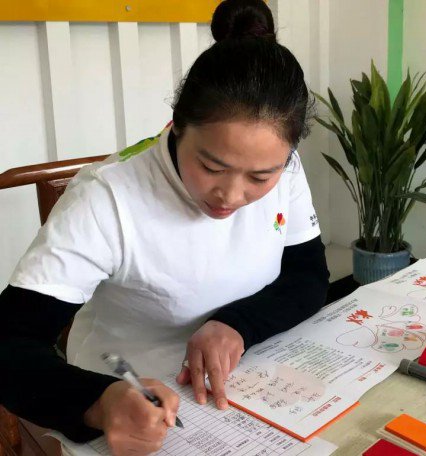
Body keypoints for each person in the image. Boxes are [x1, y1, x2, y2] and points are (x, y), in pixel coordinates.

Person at [0, 0, 329, 453]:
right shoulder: (107, 197)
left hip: (249, 388)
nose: (231, 196)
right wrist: (98, 402)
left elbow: (307, 276)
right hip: (135, 408)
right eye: (211, 166)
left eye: (259, 177)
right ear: (176, 125)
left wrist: (236, 325)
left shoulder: (286, 169)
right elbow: (10, 343)